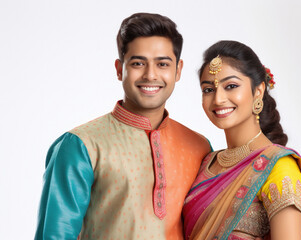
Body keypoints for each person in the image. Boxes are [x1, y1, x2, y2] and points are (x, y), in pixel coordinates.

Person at [35, 13, 211, 240]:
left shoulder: (200, 147)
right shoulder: (80, 145)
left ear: (178, 70)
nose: (150, 74)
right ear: (120, 69)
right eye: (138, 63)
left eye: (162, 64)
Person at [182, 41, 301, 240]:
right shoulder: (206, 162)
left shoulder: (279, 166)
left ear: (258, 91)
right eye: (208, 89)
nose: (218, 99)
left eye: (231, 86)